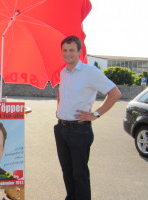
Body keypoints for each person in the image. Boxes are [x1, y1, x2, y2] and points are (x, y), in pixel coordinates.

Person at [54, 35, 122, 200]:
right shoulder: (63, 72)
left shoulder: (90, 72)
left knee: (79, 173)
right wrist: (59, 109)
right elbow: (61, 92)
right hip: (61, 128)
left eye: (71, 50)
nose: (68, 53)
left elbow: (115, 93)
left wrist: (96, 114)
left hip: (79, 130)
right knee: (67, 171)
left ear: (79, 51)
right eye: (65, 50)